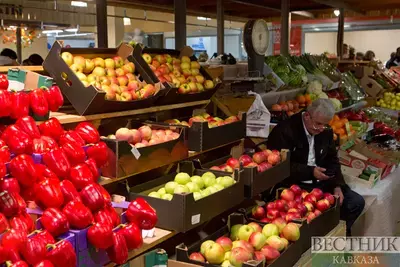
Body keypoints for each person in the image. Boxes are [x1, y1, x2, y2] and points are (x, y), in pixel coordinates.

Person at [267, 99, 365, 236]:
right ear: (307, 116)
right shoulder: (285, 131)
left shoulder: (325, 131)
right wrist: (310, 172)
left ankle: (336, 236)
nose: (320, 129)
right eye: (318, 123)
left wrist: (337, 185)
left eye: (325, 125)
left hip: (322, 183)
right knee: (315, 216)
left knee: (355, 202)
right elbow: (279, 166)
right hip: (294, 185)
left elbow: (332, 160)